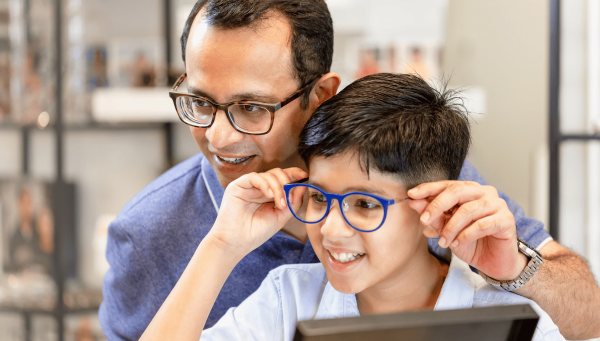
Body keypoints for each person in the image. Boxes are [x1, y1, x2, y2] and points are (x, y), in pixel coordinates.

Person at [99, 1, 600, 340]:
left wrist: (520, 271)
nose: (218, 136)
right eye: (201, 102)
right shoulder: (150, 234)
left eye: (252, 107)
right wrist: (221, 247)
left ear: (320, 96)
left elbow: (585, 313)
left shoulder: (428, 179)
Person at [140, 73, 563, 341]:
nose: (331, 229)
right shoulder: (287, 300)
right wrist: (221, 245)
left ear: (432, 207)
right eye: (320, 197)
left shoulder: (513, 321)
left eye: (363, 204)